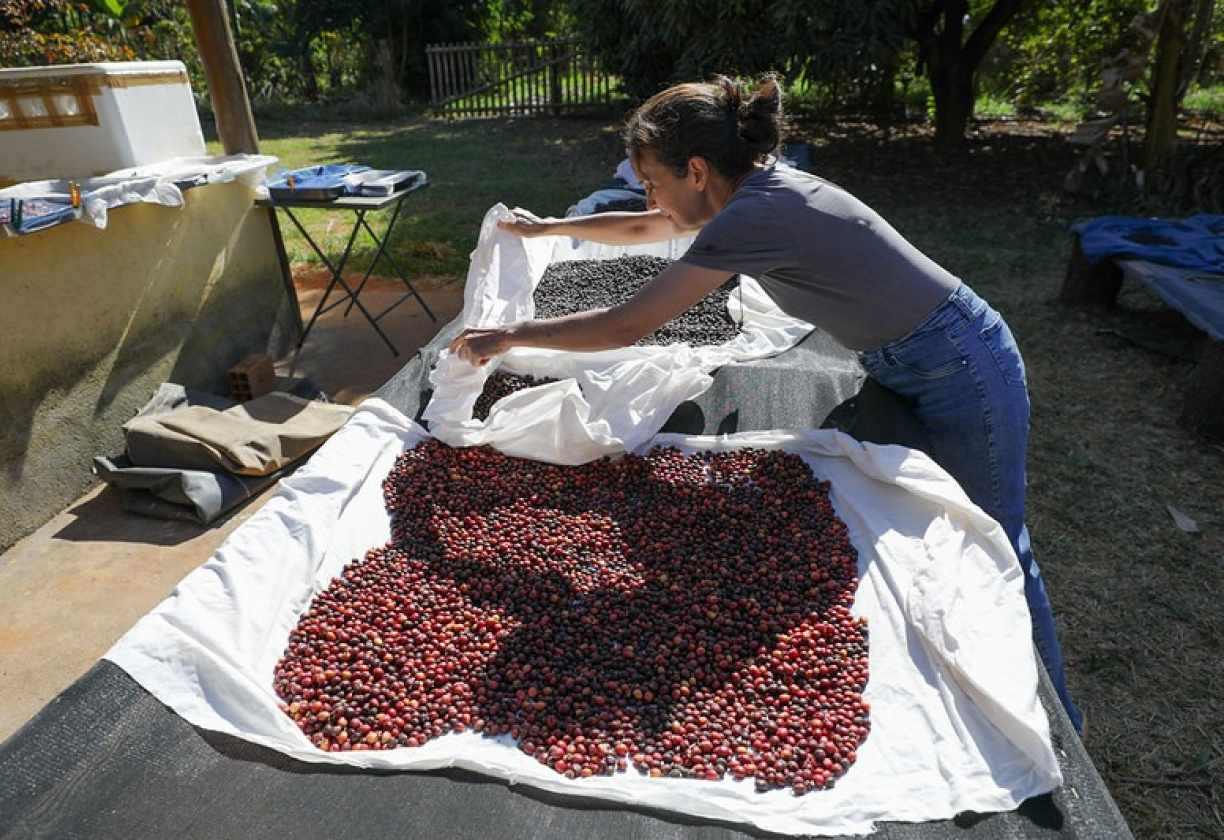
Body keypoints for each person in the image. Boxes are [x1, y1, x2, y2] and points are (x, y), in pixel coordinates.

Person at [450, 74, 1084, 735]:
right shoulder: (745, 195)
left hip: (959, 365)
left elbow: (627, 325)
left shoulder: (759, 212)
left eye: (654, 180)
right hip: (904, 357)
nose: (650, 195)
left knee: (996, 537)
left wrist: (511, 334)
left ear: (697, 171)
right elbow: (646, 225)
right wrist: (553, 227)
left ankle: (1060, 726)